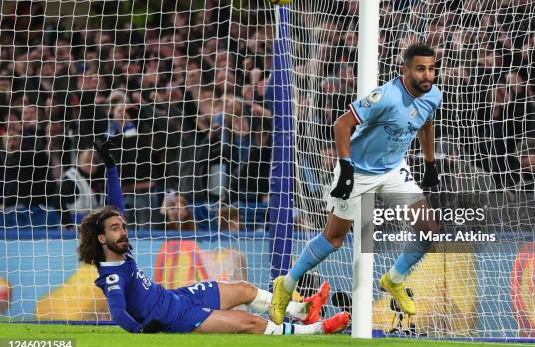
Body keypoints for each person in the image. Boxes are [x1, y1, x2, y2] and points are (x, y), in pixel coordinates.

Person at [77, 139, 349, 335]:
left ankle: (302, 311)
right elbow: (118, 313)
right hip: (177, 318)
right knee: (247, 322)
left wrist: (111, 167)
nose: (123, 232)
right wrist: (140, 330)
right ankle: (317, 329)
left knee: (243, 288)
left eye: (122, 226)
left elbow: (115, 207)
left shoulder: (121, 252)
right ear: (101, 239)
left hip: (176, 298)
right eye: (116, 229)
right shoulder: (113, 275)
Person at [269, 43, 443, 324]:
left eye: (432, 69)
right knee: (333, 239)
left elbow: (426, 124)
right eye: (421, 69)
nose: (427, 75)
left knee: (428, 231)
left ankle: (393, 280)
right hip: (358, 170)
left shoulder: (433, 95)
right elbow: (341, 124)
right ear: (405, 70)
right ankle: (286, 285)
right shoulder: (385, 96)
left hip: (393, 169)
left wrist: (430, 163)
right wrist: (347, 167)